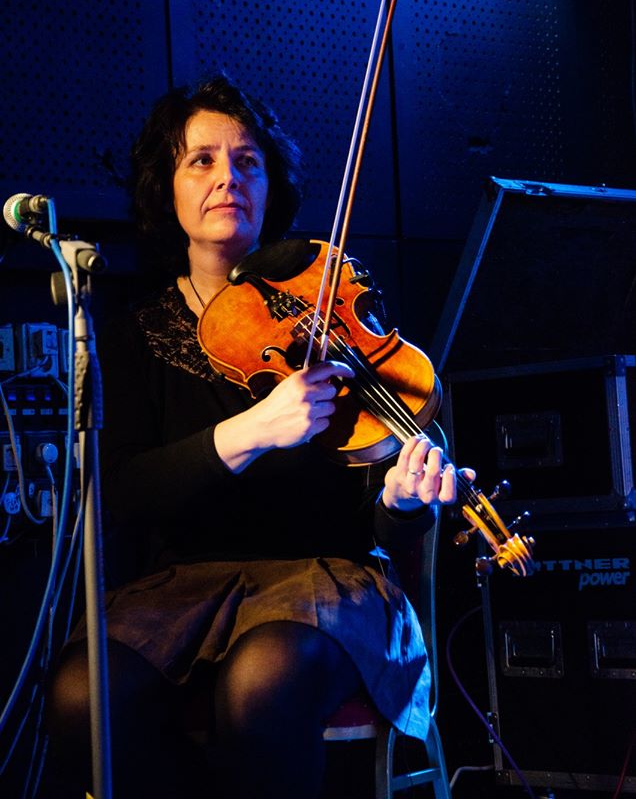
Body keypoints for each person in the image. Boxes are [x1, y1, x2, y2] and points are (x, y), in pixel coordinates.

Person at [46, 76, 468, 799]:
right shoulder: (132, 336)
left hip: (325, 584)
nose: (227, 179)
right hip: (180, 592)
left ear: (271, 186)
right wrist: (252, 431)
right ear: (167, 187)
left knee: (261, 682)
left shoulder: (330, 310)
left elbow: (381, 517)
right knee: (81, 695)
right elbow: (120, 494)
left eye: (248, 162)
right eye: (201, 160)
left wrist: (403, 502)